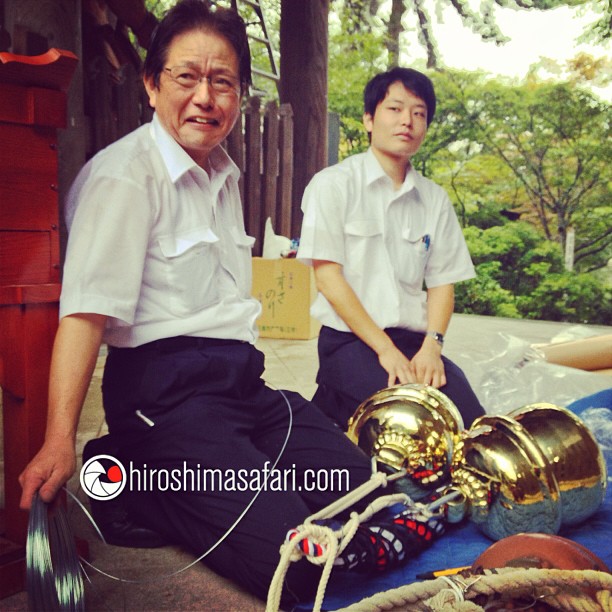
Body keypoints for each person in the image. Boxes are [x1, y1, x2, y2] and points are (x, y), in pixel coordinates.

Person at [17, 3, 445, 605]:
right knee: (294, 560)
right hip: (165, 401)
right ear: (151, 84)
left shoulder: (223, 171)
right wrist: (57, 436)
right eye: (186, 77)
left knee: (368, 495)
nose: (205, 97)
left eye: (222, 82)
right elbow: (84, 314)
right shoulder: (125, 180)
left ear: (239, 95)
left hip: (244, 387)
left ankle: (184, 474)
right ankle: (129, 476)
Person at [298, 67, 485, 430]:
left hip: (415, 342)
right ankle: (335, 405)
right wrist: (385, 350)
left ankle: (332, 406)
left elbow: (443, 281)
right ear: (369, 119)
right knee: (419, 424)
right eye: (395, 109)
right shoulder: (333, 185)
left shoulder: (434, 199)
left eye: (419, 113)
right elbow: (328, 279)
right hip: (351, 341)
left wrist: (433, 346)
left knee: (471, 423)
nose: (408, 122)